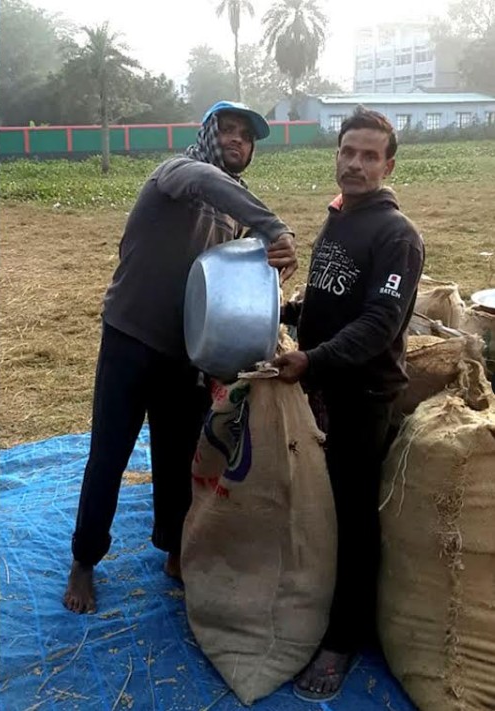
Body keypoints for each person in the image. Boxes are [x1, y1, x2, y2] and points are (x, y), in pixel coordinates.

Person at [62, 100, 299, 615]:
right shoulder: (179, 172)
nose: (237, 140)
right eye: (229, 130)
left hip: (185, 353)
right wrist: (274, 227)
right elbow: (212, 184)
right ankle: (84, 561)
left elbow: (235, 286)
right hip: (130, 336)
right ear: (209, 134)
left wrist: (271, 278)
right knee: (109, 452)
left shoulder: (234, 220)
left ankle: (174, 548)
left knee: (177, 458)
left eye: (247, 136)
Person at [269, 107, 424, 703]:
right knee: (320, 506)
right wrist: (285, 315)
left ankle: (343, 638)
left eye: (369, 156)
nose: (356, 164)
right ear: (336, 154)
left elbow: (380, 324)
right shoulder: (340, 218)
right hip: (322, 387)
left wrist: (312, 361)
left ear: (388, 165)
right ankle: (314, 602)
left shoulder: (397, 235)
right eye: (348, 152)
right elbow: (332, 300)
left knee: (354, 518)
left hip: (362, 396)